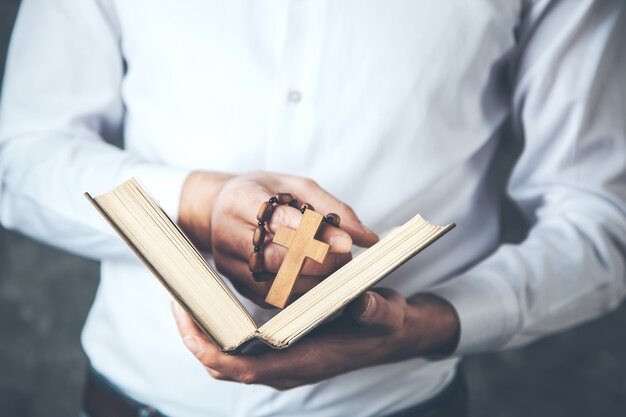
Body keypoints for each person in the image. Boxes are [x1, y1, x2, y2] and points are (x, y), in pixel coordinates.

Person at [1, 0, 625, 416]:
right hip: (130, 397)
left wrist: (425, 326)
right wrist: (199, 204)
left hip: (399, 403)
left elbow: (598, 215)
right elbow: (19, 157)